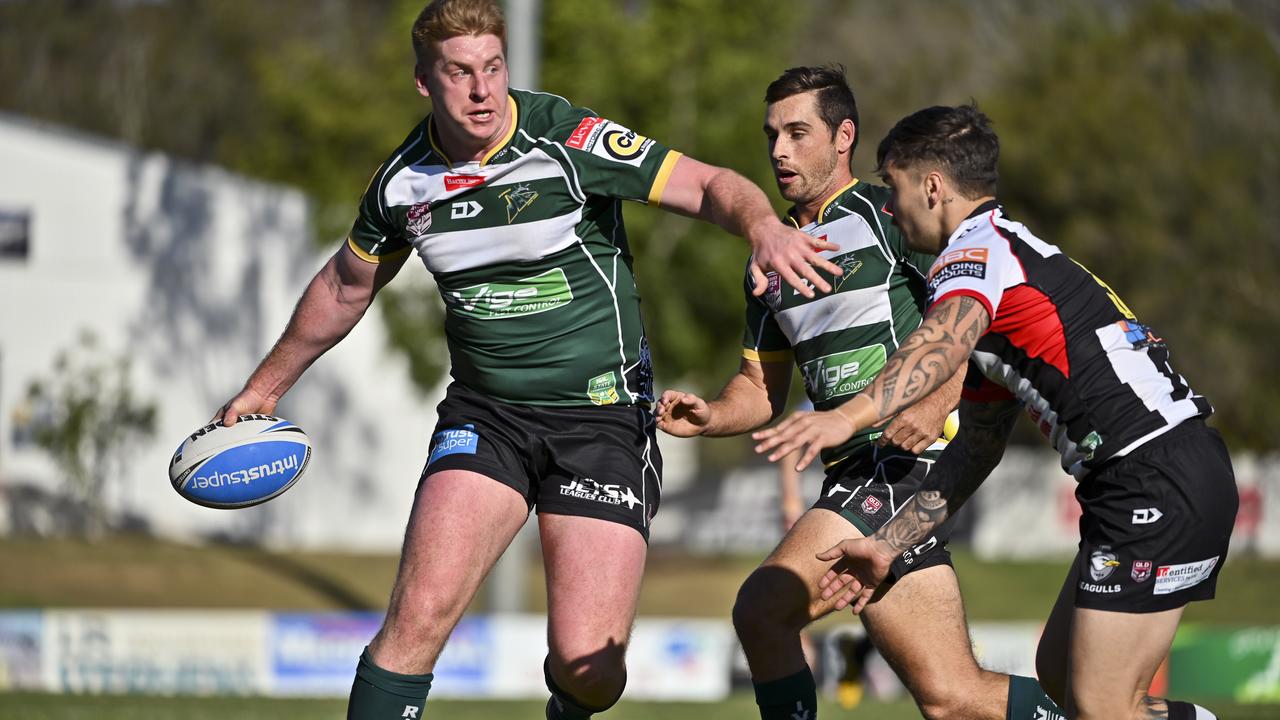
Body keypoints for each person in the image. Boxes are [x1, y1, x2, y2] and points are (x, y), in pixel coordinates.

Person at [214, 2, 843, 718]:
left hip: (602, 421)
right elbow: (342, 286)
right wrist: (264, 389)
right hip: (487, 417)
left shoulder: (566, 138)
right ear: (425, 81)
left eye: (494, 67)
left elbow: (704, 183)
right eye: (460, 72)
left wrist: (762, 225)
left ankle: (569, 703)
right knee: (417, 617)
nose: (482, 90)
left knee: (588, 670)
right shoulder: (402, 183)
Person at [754, 103, 1236, 720]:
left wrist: (843, 418)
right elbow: (974, 450)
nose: (892, 207)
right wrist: (887, 546)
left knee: (1100, 706)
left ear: (932, 187)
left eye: (896, 188)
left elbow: (933, 348)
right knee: (1060, 681)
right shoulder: (1008, 277)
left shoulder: (975, 253)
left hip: (1152, 474)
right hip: (1152, 474)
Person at [657, 67, 1064, 720]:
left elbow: (971, 312)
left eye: (797, 133)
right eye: (771, 136)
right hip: (852, 474)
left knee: (763, 611)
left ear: (843, 136)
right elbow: (761, 390)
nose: (779, 152)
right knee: (951, 697)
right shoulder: (766, 260)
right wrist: (709, 416)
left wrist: (941, 396)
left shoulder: (890, 214)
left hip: (905, 461)